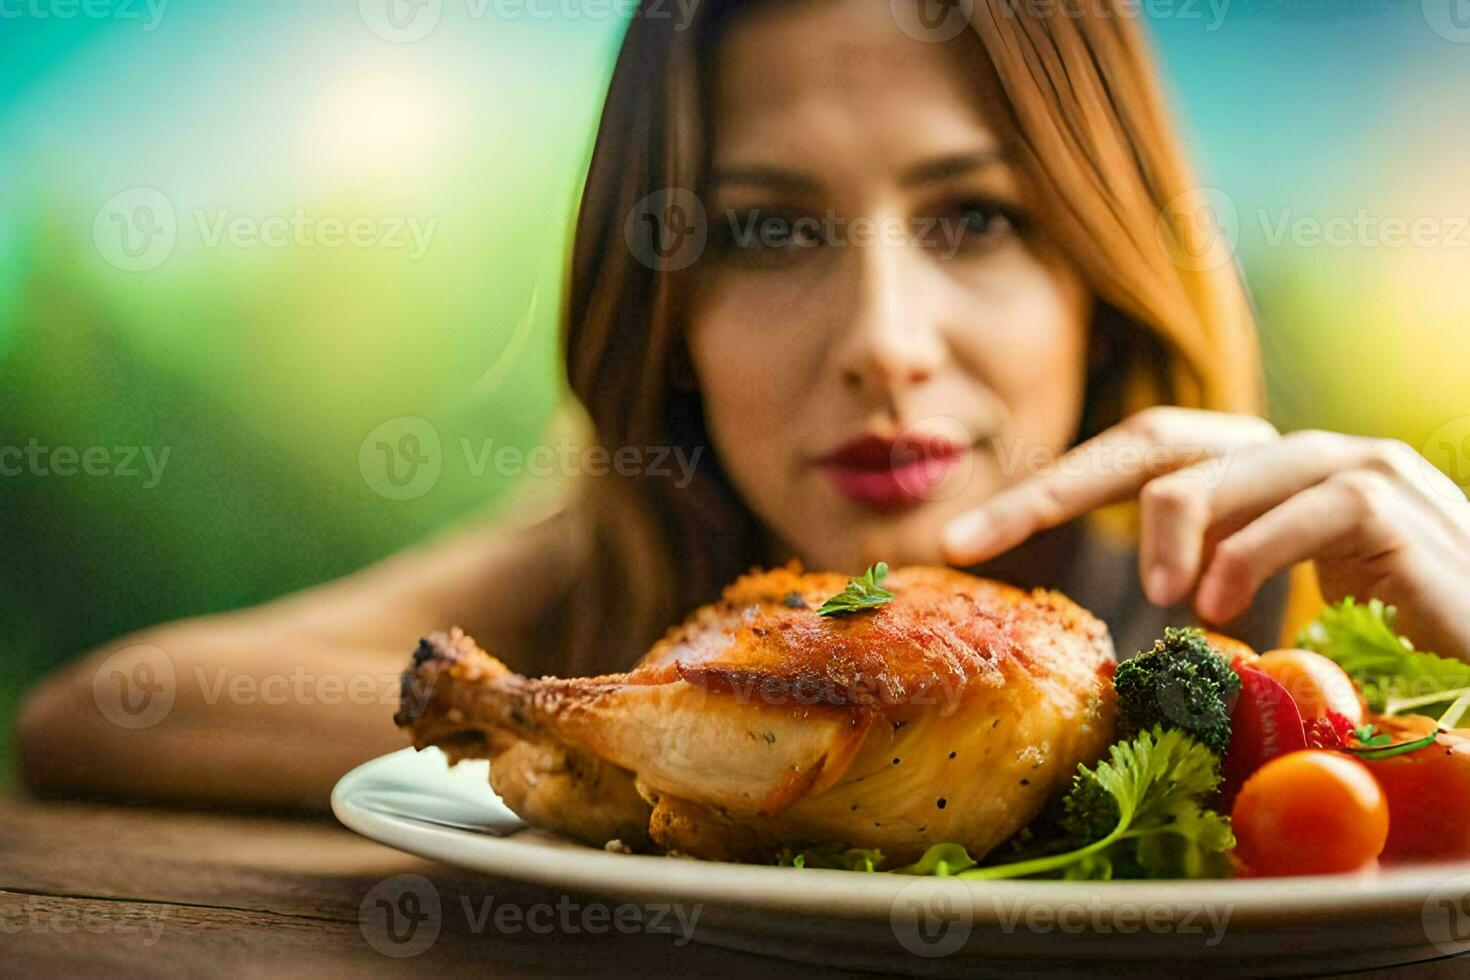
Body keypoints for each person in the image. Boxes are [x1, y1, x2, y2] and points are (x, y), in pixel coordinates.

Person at [18, 0, 1470, 808]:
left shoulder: (1281, 595)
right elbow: (110, 709)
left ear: (1098, 270)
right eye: (768, 232)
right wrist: (686, 730)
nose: (884, 344)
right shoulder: (618, 568)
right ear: (666, 315)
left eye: (971, 220)